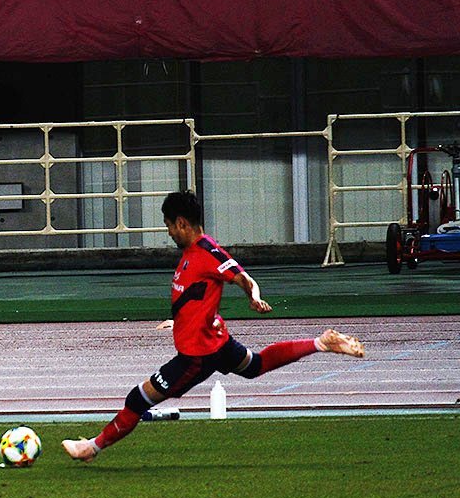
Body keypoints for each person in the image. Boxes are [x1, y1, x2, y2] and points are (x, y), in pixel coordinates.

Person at [62, 191, 365, 463]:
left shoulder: (207, 252)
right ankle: (321, 343)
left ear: (182, 223)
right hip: (217, 341)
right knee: (255, 365)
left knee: (138, 399)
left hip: (197, 356)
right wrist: (179, 321)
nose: (168, 232)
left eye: (169, 225)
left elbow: (243, 278)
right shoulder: (193, 253)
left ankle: (91, 448)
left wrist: (253, 297)